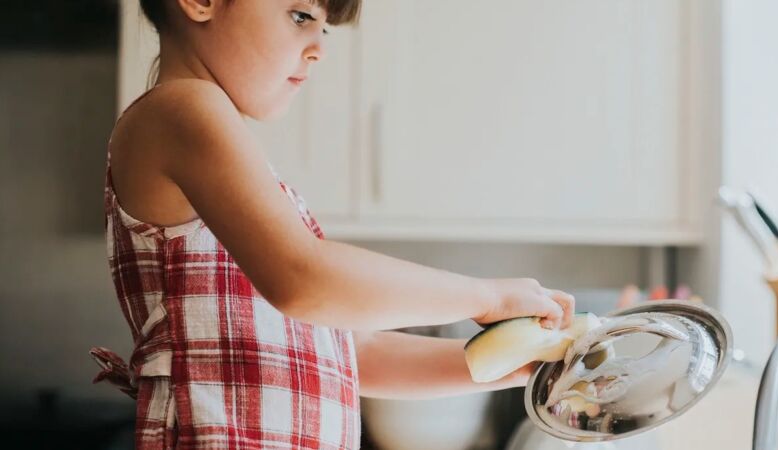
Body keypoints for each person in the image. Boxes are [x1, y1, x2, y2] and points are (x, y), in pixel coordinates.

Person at [89, 1, 576, 448]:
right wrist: (486, 297)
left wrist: (513, 363)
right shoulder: (181, 110)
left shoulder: (222, 150)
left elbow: (354, 348)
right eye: (301, 15)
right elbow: (304, 278)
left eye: (326, 28)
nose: (320, 48)